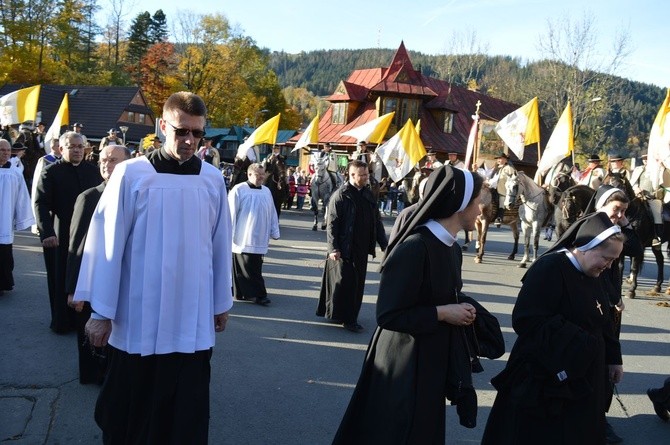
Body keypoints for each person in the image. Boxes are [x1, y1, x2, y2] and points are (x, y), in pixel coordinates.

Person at [73, 92, 232, 444]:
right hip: (138, 316)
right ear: (163, 127)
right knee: (131, 412)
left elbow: (220, 244)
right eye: (181, 131)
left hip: (191, 316)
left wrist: (221, 303)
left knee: (184, 412)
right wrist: (101, 312)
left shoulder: (211, 179)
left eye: (198, 133)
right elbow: (106, 243)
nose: (190, 141)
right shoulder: (132, 175)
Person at [333, 165, 503, 443]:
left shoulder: (451, 248)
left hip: (430, 359)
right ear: (459, 205)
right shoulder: (415, 247)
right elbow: (389, 315)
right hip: (402, 363)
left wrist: (462, 309)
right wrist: (443, 312)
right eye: (476, 203)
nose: (480, 210)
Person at [482, 211, 625, 445]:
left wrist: (613, 357)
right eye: (606, 258)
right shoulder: (550, 268)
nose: (608, 266)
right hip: (548, 375)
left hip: (588, 373)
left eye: (613, 261)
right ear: (587, 246)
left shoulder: (595, 272)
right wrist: (579, 341)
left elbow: (604, 320)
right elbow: (527, 320)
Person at [64, 144, 131, 385]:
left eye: (113, 160)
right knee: (91, 336)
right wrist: (73, 288)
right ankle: (94, 375)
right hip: (91, 281)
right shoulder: (89, 197)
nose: (106, 164)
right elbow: (76, 247)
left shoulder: (134, 194)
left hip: (122, 279)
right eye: (103, 160)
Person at [584, 185, 643, 443]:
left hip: (610, 308)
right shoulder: (589, 231)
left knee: (607, 362)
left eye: (623, 211)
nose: (619, 215)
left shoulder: (619, 229)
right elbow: (597, 271)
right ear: (600, 206)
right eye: (616, 209)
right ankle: (593, 418)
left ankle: (599, 416)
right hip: (596, 305)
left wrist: (626, 221)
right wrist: (613, 296)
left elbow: (637, 249)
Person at [34, 131, 102, 334]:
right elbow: (41, 203)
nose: (77, 150)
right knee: (60, 275)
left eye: (80, 146)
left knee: (86, 273)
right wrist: (47, 232)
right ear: (61, 149)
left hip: (88, 232)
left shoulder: (93, 171)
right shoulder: (51, 172)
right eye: (72, 146)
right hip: (60, 232)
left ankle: (83, 317)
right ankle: (61, 320)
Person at [316, 160, 388, 332]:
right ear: (352, 175)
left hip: (362, 248)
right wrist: (333, 248)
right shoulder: (341, 195)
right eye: (362, 175)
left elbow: (376, 221)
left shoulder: (368, 194)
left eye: (366, 174)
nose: (366, 178)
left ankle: (344, 314)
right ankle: (348, 319)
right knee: (345, 284)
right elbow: (332, 223)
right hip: (344, 248)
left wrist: (384, 243)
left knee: (356, 284)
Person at [229, 163, 280, 306]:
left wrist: (274, 230)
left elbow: (272, 212)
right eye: (258, 175)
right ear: (249, 174)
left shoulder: (266, 191)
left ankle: (242, 293)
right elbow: (231, 213)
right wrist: (229, 234)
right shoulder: (239, 190)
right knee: (246, 266)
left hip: (260, 236)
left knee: (255, 266)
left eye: (263, 175)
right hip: (243, 236)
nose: (261, 178)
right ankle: (258, 295)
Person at [0, 139, 34, 295]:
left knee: (4, 252)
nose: (6, 153)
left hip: (5, 219)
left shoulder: (15, 173)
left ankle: (3, 284)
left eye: (8, 150)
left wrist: (22, 218)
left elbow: (22, 198)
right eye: (2, 150)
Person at [630, 152, 664, 246]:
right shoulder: (638, 169)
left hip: (652, 197)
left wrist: (654, 192)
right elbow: (633, 182)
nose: (645, 161)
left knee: (656, 211)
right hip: (639, 196)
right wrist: (636, 188)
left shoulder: (658, 170)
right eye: (644, 159)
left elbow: (662, 184)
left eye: (647, 159)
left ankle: (656, 236)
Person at [491, 151, 516, 227]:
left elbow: (515, 178)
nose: (499, 160)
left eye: (500, 158)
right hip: (492, 189)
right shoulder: (495, 168)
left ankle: (499, 218)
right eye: (498, 159)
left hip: (503, 190)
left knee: (502, 202)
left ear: (505, 160)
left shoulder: (509, 168)